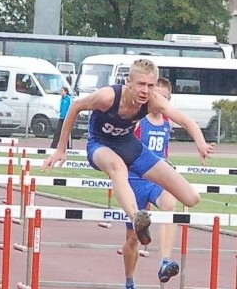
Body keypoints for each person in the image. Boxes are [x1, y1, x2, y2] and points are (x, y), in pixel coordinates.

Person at [42, 58, 214, 248]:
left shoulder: (154, 101)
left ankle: (139, 219)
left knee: (191, 197)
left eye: (150, 85)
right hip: (100, 145)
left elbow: (186, 121)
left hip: (129, 145)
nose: (145, 91)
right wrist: (61, 149)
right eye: (141, 84)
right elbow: (75, 107)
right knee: (118, 167)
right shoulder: (107, 97)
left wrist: (201, 144)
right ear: (128, 82)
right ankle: (137, 219)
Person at [121, 78, 180, 289]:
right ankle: (129, 283)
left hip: (155, 181)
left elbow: (163, 152)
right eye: (157, 96)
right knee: (132, 239)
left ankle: (165, 261)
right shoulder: (137, 121)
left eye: (165, 98)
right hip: (134, 182)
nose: (160, 101)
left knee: (170, 203)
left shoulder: (167, 123)